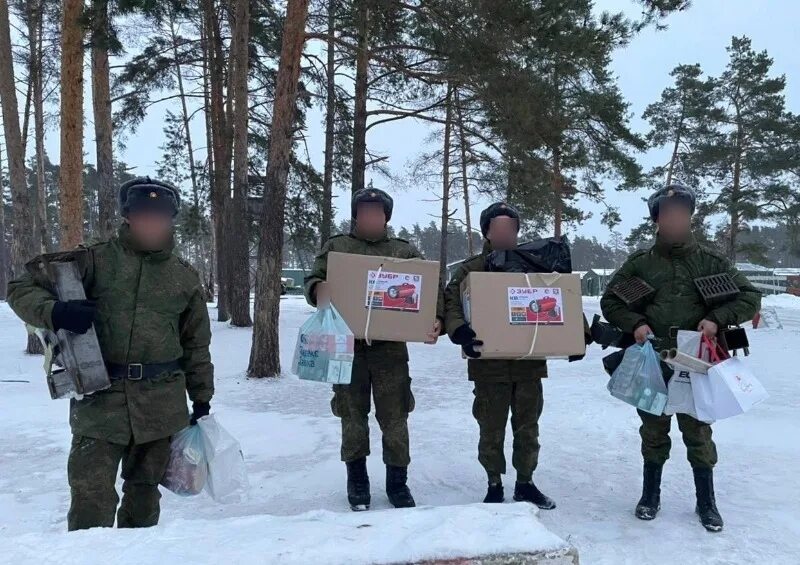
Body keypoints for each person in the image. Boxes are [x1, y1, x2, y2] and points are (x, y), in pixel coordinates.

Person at [7, 177, 214, 531]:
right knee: (91, 495)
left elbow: (196, 345)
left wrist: (202, 401)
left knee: (145, 495)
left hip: (160, 405)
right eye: (144, 214)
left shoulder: (185, 278)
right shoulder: (94, 259)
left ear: (171, 219)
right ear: (128, 217)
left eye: (160, 215)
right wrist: (55, 311)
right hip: (99, 401)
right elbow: (20, 287)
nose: (152, 222)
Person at [600, 184, 761, 532]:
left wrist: (715, 320)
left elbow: (750, 297)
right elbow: (610, 303)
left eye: (682, 213)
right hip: (652, 361)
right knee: (653, 431)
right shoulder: (641, 264)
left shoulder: (710, 262)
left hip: (697, 363)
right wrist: (637, 323)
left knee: (698, 433)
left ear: (690, 217)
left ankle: (707, 503)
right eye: (667, 213)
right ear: (656, 219)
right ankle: (650, 496)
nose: (675, 219)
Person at [304, 187, 444, 511]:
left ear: (385, 217)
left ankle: (398, 483)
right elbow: (313, 279)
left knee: (395, 417)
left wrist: (436, 318)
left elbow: (429, 286)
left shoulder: (403, 252)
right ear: (356, 215)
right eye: (364, 210)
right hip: (346, 347)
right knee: (352, 416)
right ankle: (357, 481)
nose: (370, 216)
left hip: (390, 352)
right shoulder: (338, 247)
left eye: (376, 211)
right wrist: (317, 290)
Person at [443, 202, 556, 509]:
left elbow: (559, 296)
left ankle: (525, 483)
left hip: (528, 364)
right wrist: (459, 331)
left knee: (528, 428)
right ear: (488, 232)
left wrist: (577, 335)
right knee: (490, 428)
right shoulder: (471, 270)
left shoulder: (534, 267)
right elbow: (452, 303)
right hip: (488, 367)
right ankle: (494, 483)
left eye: (512, 228)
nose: (506, 233)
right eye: (499, 228)